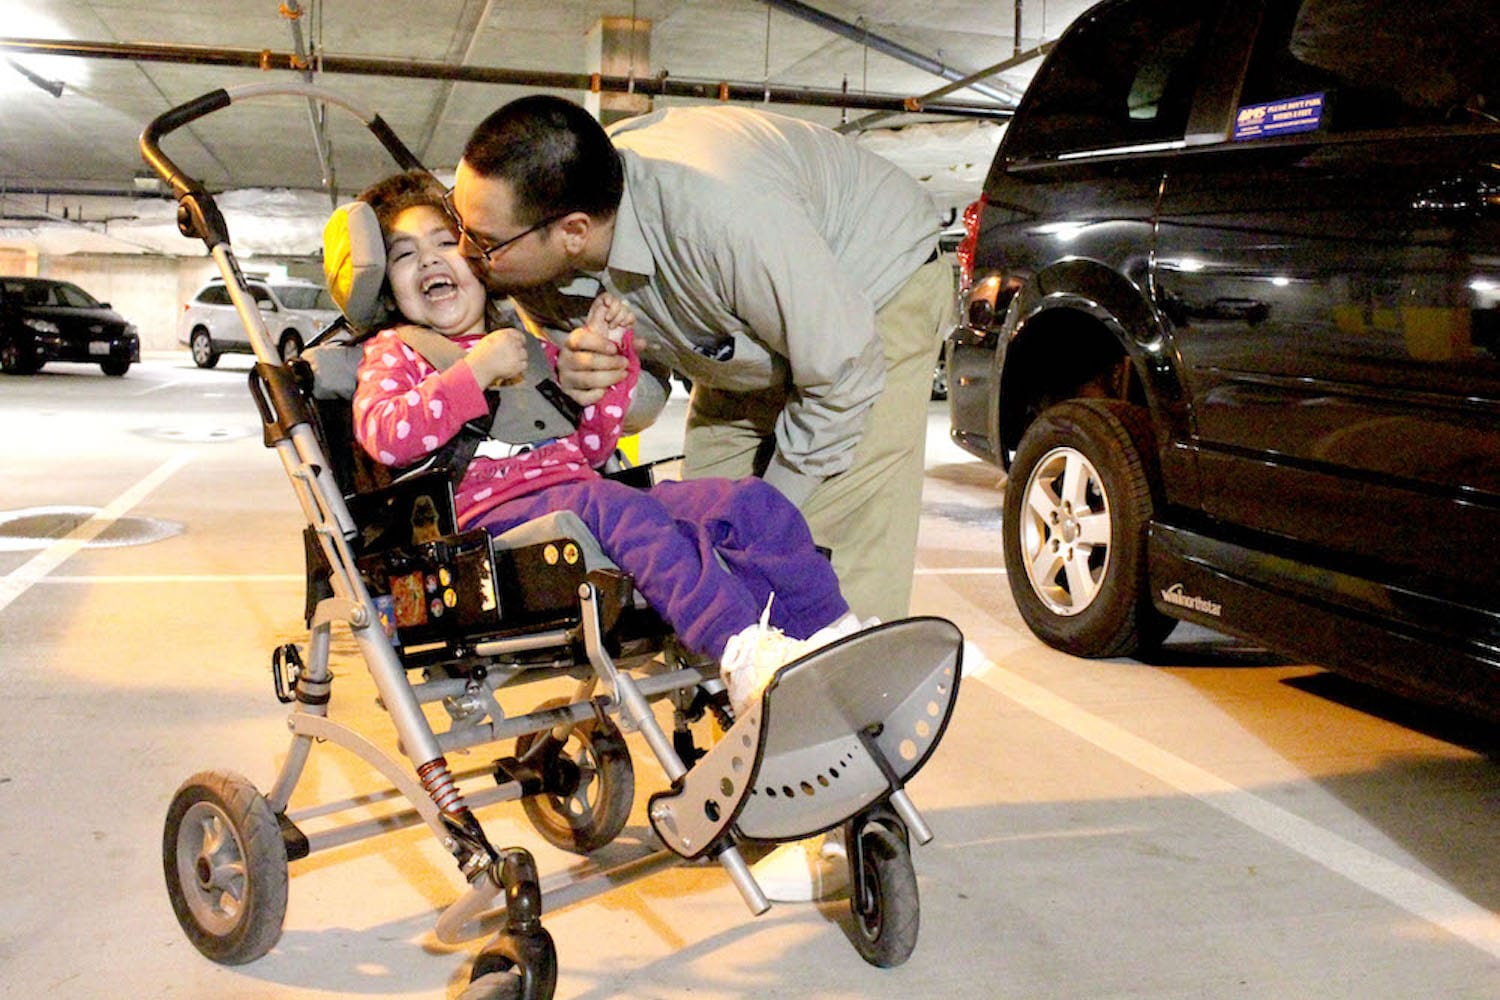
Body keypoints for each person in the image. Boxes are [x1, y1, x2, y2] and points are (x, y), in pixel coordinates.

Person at [348, 170, 866, 727]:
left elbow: (590, 450)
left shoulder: (527, 346)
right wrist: (472, 374)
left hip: (575, 496)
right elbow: (388, 435)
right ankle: (742, 656)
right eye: (405, 255)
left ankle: (834, 641)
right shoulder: (394, 353)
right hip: (484, 524)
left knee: (748, 503)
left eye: (446, 243)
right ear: (385, 286)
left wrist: (608, 361)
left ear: (480, 262)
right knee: (615, 508)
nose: (429, 261)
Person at [447, 97, 955, 626]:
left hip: (872, 299)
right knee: (697, 543)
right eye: (457, 221)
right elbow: (641, 402)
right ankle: (732, 690)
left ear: (574, 230)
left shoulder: (722, 217)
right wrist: (588, 386)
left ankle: (851, 693)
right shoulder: (529, 268)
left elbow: (846, 373)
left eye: (483, 241)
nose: (463, 252)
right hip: (738, 337)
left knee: (816, 560)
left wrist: (769, 515)